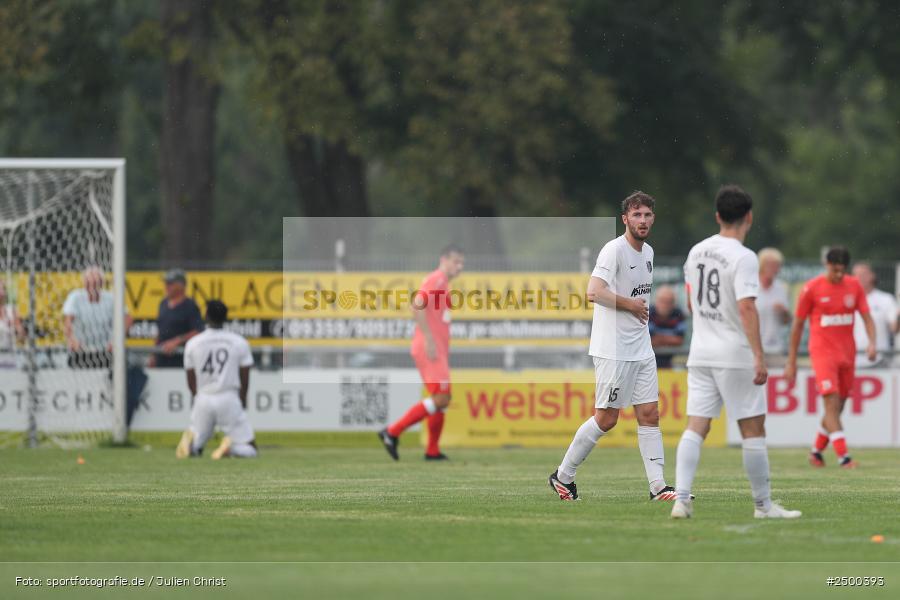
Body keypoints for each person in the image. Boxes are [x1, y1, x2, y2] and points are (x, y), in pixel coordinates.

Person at [672, 185, 800, 520]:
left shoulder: (696, 251)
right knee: (753, 429)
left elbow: (689, 302)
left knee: (696, 426)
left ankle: (681, 499)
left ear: (717, 215)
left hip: (700, 351)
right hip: (734, 353)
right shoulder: (744, 257)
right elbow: (746, 308)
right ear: (749, 217)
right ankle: (763, 506)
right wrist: (758, 355)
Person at [549, 191, 678, 502]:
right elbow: (593, 291)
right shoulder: (614, 250)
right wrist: (629, 305)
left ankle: (658, 487)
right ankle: (562, 476)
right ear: (625, 219)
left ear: (653, 218)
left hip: (641, 348)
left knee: (649, 414)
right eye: (637, 215)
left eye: (647, 215)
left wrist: (635, 312)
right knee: (606, 418)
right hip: (614, 349)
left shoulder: (648, 252)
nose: (643, 220)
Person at [785, 247, 876, 469]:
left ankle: (816, 451)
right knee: (831, 402)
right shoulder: (812, 288)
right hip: (822, 353)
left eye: (841, 271)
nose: (837, 275)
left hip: (847, 353)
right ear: (827, 265)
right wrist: (792, 360)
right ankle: (844, 457)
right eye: (834, 270)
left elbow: (866, 317)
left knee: (838, 406)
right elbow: (797, 326)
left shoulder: (853, 286)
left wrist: (873, 343)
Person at [378, 244, 465, 461]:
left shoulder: (443, 283)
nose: (459, 266)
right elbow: (417, 306)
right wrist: (429, 339)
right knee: (442, 397)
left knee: (440, 398)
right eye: (455, 261)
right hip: (429, 347)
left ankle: (432, 451)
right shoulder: (436, 278)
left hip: (436, 348)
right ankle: (392, 431)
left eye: (461, 263)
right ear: (443, 259)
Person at [176, 300, 257, 459]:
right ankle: (231, 449)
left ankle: (193, 446)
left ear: (206, 316)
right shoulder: (238, 342)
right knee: (250, 448)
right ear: (225, 317)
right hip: (228, 396)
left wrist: (197, 396)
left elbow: (190, 380)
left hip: (204, 397)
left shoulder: (193, 343)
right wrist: (242, 398)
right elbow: (245, 375)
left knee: (197, 445)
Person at [62, 267, 133, 369]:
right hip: (81, 351)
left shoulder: (111, 298)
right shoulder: (75, 297)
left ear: (102, 284)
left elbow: (128, 319)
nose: (92, 287)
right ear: (84, 284)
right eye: (88, 283)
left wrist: (116, 340)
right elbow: (68, 321)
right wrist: (72, 340)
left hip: (106, 352)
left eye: (96, 283)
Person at [151, 269, 203, 368]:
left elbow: (198, 331)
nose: (166, 286)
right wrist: (153, 354)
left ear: (181, 285)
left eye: (170, 283)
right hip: (162, 358)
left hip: (181, 359)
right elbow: (160, 330)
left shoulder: (190, 305)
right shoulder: (163, 304)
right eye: (166, 283)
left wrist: (176, 341)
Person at [851, 262, 898, 368]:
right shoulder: (847, 300)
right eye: (856, 275)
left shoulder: (886, 299)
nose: (859, 278)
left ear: (872, 276)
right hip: (851, 360)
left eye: (863, 274)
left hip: (879, 360)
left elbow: (895, 328)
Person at [756, 247, 791, 364]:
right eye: (771, 265)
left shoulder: (782, 288)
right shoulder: (750, 286)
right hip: (752, 348)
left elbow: (786, 321)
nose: (775, 269)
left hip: (776, 348)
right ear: (761, 266)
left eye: (777, 266)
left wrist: (784, 312)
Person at [649, 285, 686, 369]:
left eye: (669, 302)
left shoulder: (678, 314)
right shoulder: (648, 313)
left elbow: (679, 340)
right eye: (662, 301)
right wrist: (669, 339)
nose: (665, 305)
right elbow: (648, 341)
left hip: (672, 359)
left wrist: (659, 338)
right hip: (650, 359)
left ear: (673, 303)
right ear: (656, 301)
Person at [0, 279, 24, 368]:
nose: (2, 292)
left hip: (9, 358)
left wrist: (17, 328)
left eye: (3, 289)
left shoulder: (11, 310)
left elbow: (22, 338)